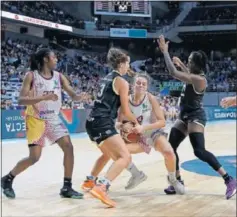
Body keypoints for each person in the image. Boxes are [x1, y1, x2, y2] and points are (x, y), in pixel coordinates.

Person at [1, 48, 87, 199]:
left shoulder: (59, 77)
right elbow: (21, 100)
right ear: (46, 59)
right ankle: (8, 179)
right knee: (34, 158)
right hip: (35, 118)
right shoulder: (31, 76)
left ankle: (67, 187)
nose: (57, 60)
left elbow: (72, 94)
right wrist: (43, 98)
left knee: (68, 146)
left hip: (53, 117)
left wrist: (80, 97)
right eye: (54, 57)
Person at [157, 35, 236, 200]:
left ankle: (229, 179)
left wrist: (165, 51)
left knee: (199, 151)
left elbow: (173, 72)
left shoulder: (200, 79)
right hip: (184, 115)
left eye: (190, 60)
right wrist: (183, 66)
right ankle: (177, 181)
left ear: (195, 64)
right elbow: (188, 77)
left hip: (195, 116)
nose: (188, 61)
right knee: (171, 148)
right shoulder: (194, 76)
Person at [81, 73, 185, 194]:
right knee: (112, 152)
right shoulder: (125, 100)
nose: (141, 85)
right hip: (138, 137)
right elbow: (119, 123)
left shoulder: (151, 98)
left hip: (152, 132)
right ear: (133, 85)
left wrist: (143, 127)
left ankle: (173, 180)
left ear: (147, 87)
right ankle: (99, 180)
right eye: (138, 83)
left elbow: (162, 122)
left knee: (168, 152)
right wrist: (124, 126)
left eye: (144, 84)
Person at [84, 47, 140, 208]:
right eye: (128, 62)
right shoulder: (122, 82)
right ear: (122, 63)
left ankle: (89, 182)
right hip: (102, 122)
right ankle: (102, 187)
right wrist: (138, 124)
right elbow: (126, 110)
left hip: (92, 121)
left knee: (108, 154)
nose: (129, 66)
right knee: (124, 157)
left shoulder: (107, 77)